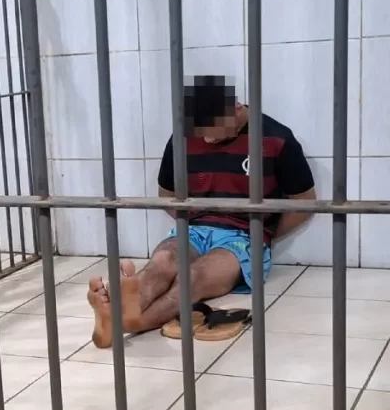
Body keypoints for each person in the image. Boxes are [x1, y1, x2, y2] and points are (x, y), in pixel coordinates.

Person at [86, 75, 317, 349]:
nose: (206, 137)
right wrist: (191, 220)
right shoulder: (183, 137)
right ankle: (122, 310)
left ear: (236, 109)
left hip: (243, 237)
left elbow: (304, 202)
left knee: (192, 278)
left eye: (212, 129)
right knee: (162, 261)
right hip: (194, 228)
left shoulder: (277, 138)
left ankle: (121, 322)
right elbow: (167, 194)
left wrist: (263, 233)